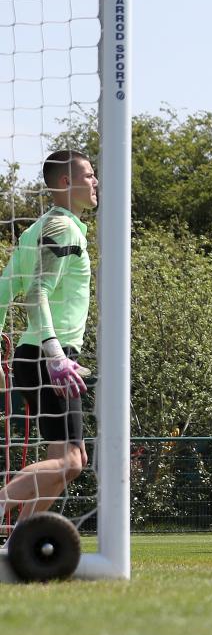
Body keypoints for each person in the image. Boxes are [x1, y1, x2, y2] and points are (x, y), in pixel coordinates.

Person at [0, 151, 96, 522]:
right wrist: (56, 355)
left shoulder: (33, 229)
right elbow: (35, 292)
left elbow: (3, 291)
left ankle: (20, 541)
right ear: (64, 183)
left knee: (72, 462)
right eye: (88, 175)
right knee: (69, 462)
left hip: (36, 356)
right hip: (49, 359)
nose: (96, 182)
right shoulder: (62, 228)